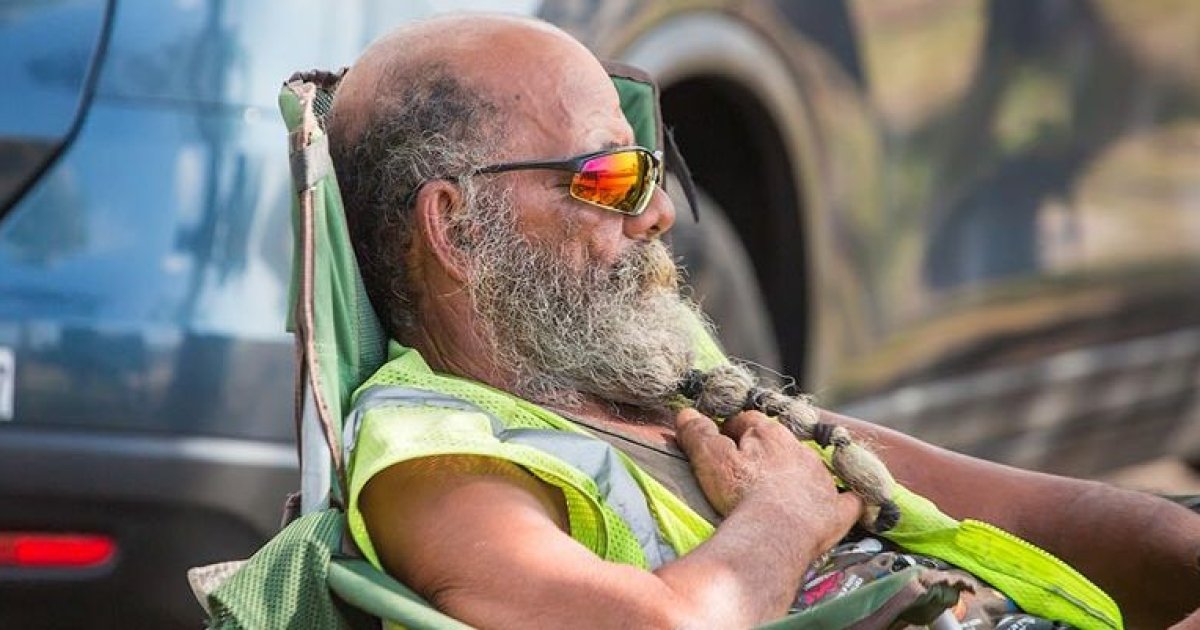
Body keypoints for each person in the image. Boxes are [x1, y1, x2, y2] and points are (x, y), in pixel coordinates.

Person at [325, 13, 1200, 629]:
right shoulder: (437, 459)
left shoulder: (631, 364)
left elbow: (957, 491)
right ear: (454, 226)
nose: (660, 211)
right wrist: (783, 515)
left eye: (655, 171)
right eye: (609, 177)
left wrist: (1170, 542)